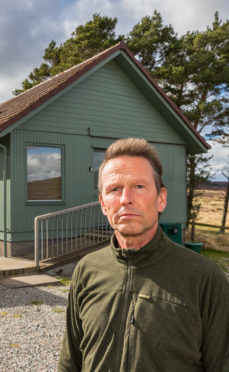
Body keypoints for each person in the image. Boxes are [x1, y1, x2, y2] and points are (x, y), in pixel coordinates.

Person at [58, 138, 229, 372]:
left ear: (161, 199)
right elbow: (70, 362)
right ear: (103, 204)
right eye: (114, 189)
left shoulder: (205, 279)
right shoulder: (87, 270)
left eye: (139, 187)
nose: (125, 198)